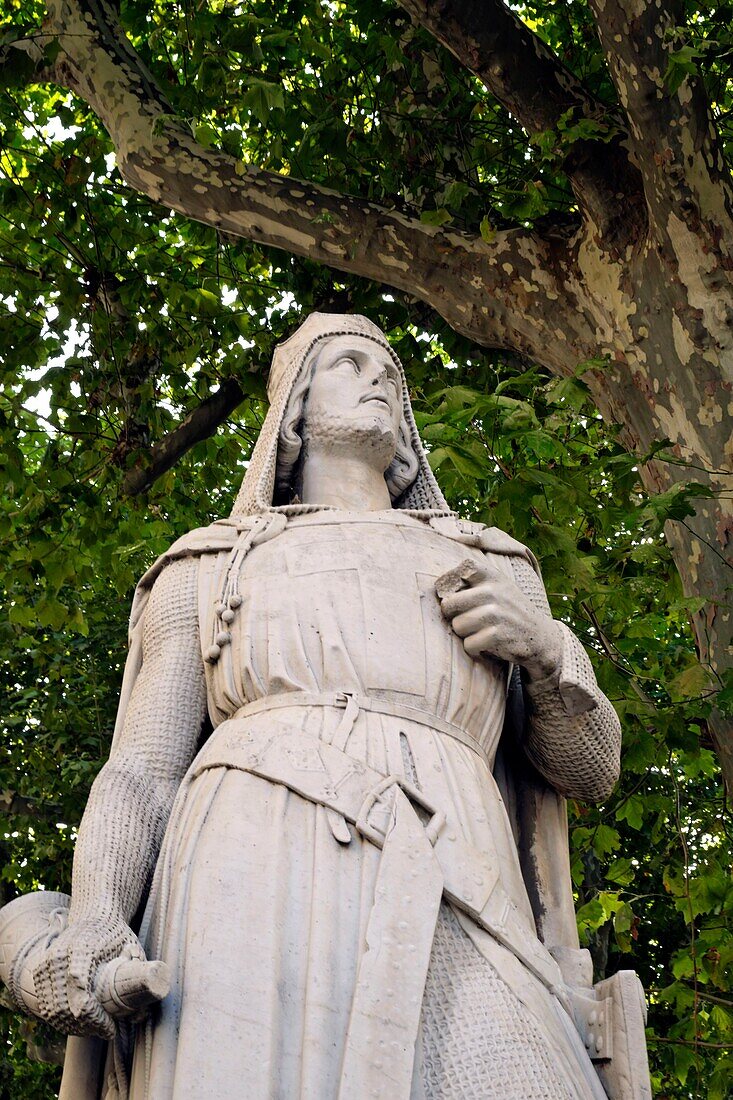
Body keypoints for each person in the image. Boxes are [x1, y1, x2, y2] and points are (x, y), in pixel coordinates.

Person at [29, 313, 627, 1098]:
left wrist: (548, 651)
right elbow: (140, 771)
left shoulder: (491, 565)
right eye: (349, 362)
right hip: (246, 862)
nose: (379, 378)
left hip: (459, 859)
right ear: (294, 411)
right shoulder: (209, 566)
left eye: (390, 373)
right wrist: (98, 913)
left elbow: (590, 771)